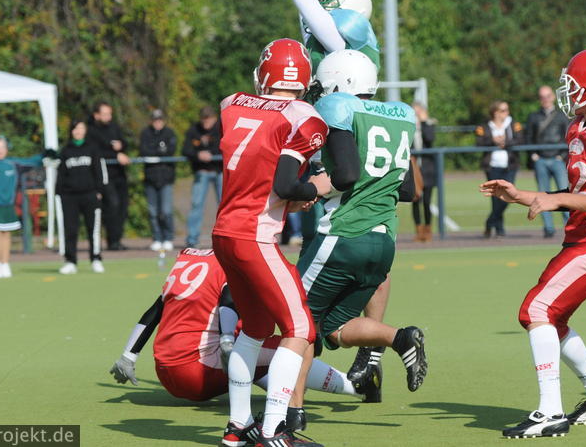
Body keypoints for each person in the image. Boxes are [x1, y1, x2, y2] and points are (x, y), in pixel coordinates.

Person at [480, 49, 586, 438]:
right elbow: (580, 194)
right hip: (584, 237)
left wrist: (553, 200)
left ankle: (550, 412)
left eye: (572, 84)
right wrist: (525, 196)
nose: (567, 91)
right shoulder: (580, 127)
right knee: (551, 317)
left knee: (536, 309)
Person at [294, 50, 427, 425]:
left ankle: (290, 413)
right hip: (383, 242)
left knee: (297, 322)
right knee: (333, 328)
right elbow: (407, 190)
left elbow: (348, 175)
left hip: (344, 236)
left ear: (341, 82)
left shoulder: (338, 107)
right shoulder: (398, 115)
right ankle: (400, 338)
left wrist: (315, 187)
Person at [213, 38, 331, 447]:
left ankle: (238, 427)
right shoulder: (305, 117)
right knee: (300, 328)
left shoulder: (232, 104)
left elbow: (256, 170)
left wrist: (288, 197)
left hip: (225, 231)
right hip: (255, 235)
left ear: (264, 73)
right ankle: (274, 429)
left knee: (256, 328)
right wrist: (315, 187)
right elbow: (284, 184)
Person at [109, 248, 364, 412]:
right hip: (197, 372)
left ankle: (279, 387)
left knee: (249, 342)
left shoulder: (187, 258)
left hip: (166, 373)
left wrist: (128, 356)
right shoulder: (230, 259)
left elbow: (155, 310)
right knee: (290, 343)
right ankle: (355, 387)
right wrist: (227, 341)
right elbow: (227, 301)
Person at [0, 137, 51, 278]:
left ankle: (5, 263)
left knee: (6, 234)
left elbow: (33, 161)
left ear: (7, 149)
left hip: (8, 206)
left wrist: (45, 154)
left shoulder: (14, 164)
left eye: (2, 147)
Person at [55, 120, 105, 275]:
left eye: (81, 128)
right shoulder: (66, 150)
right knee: (70, 229)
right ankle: (70, 261)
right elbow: (61, 174)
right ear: (72, 131)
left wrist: (99, 190)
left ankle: (95, 259)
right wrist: (60, 192)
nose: (78, 131)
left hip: (89, 194)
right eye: (76, 128)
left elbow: (99, 170)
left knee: (93, 229)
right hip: (69, 196)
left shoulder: (92, 148)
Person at [526, 86, 571, 238]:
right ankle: (548, 228)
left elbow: (568, 136)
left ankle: (570, 226)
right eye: (542, 96)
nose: (545, 99)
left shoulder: (562, 116)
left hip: (558, 160)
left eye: (547, 96)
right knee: (542, 195)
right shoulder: (533, 117)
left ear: (553, 97)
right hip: (541, 160)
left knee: (565, 194)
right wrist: (533, 155)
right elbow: (528, 137)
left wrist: (562, 156)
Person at [475, 100, 524, 238]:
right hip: (492, 167)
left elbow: (521, 139)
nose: (507, 113)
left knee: (508, 196)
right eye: (503, 110)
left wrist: (505, 142)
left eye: (507, 110)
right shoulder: (484, 126)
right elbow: (479, 142)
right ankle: (499, 229)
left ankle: (489, 223)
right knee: (496, 198)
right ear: (495, 112)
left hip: (510, 166)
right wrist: (493, 141)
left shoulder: (513, 124)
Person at [87, 101, 130, 251]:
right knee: (112, 205)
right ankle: (112, 240)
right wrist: (115, 155)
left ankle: (117, 239)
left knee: (123, 206)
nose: (108, 117)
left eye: (109, 114)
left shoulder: (114, 127)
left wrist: (121, 146)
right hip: (105, 175)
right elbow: (96, 152)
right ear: (96, 115)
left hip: (119, 173)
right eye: (105, 114)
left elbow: (124, 142)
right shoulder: (91, 131)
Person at [182, 105, 222, 249]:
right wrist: (197, 154)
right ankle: (192, 239)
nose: (206, 122)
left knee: (224, 205)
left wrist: (212, 154)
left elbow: (226, 147)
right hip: (201, 171)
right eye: (203, 119)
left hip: (219, 171)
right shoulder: (194, 130)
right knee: (196, 204)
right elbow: (186, 149)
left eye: (208, 119)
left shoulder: (221, 129)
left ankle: (225, 237)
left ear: (214, 118)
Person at [139, 109, 177, 251]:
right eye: (155, 120)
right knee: (153, 212)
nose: (157, 123)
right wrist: (159, 151)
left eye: (160, 120)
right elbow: (144, 151)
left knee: (166, 211)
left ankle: (168, 237)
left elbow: (170, 150)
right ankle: (157, 238)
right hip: (150, 177)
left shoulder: (169, 133)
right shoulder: (145, 133)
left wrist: (155, 152)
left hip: (166, 178)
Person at [412, 103, 437, 242]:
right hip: (414, 168)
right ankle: (418, 231)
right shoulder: (408, 126)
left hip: (427, 169)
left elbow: (430, 139)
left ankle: (428, 230)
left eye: (418, 112)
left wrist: (423, 122)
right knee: (415, 200)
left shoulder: (428, 125)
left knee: (427, 201)